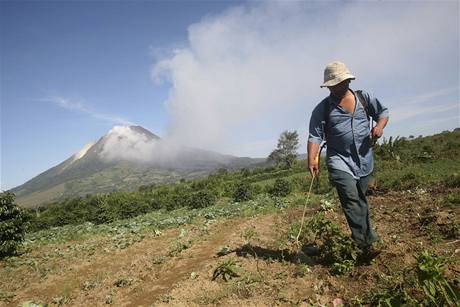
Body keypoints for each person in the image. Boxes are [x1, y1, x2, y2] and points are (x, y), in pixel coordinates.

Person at [308, 61, 389, 256]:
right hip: (339, 160)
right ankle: (365, 244)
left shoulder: (363, 98)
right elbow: (315, 135)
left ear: (348, 81)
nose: (337, 87)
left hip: (364, 159)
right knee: (351, 199)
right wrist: (312, 159)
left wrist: (379, 127)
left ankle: (363, 237)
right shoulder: (323, 109)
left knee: (360, 199)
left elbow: (383, 113)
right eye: (333, 85)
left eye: (341, 83)